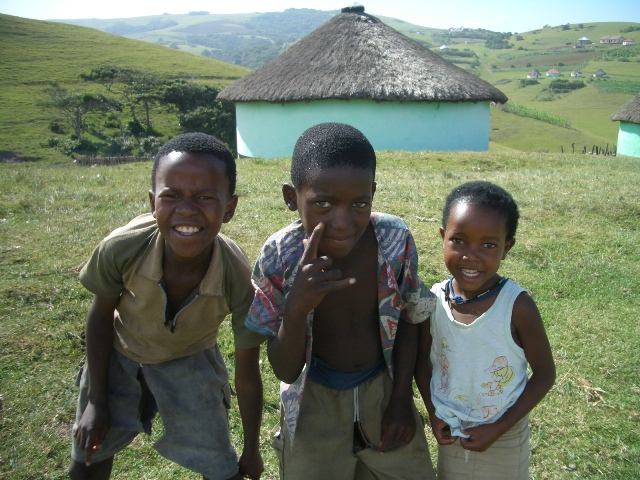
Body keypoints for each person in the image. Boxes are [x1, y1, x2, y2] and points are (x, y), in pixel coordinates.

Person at [69, 132, 266, 480]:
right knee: (87, 460)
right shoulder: (123, 247)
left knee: (222, 469)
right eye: (171, 196)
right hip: (119, 352)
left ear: (230, 208)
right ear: (152, 202)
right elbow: (100, 318)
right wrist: (96, 401)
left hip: (192, 359)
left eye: (205, 197)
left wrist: (251, 449)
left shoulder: (236, 275)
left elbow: (248, 373)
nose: (186, 209)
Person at [245, 122, 437, 479]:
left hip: (383, 389)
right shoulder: (279, 256)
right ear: (291, 197)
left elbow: (412, 317)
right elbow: (286, 370)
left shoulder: (394, 239)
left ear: (373, 194)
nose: (343, 221)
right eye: (322, 204)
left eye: (359, 203)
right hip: (312, 400)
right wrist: (297, 306)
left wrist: (400, 401)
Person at [415, 181, 556, 479]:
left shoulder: (517, 306)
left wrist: (499, 427)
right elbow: (422, 362)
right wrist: (433, 410)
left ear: (507, 248)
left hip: (504, 435)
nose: (471, 256)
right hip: (451, 429)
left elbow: (545, 374)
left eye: (489, 245)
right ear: (443, 238)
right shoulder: (435, 300)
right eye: (459, 241)